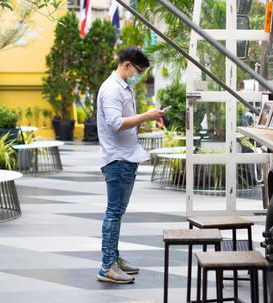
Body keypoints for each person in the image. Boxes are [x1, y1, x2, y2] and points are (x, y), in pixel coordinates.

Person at [96, 47, 166, 283]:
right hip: (117, 159)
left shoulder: (123, 87)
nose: (139, 75)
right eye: (138, 70)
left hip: (126, 157)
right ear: (126, 65)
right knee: (114, 213)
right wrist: (146, 116)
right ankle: (108, 266)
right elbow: (116, 123)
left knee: (117, 212)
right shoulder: (111, 89)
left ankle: (113, 258)